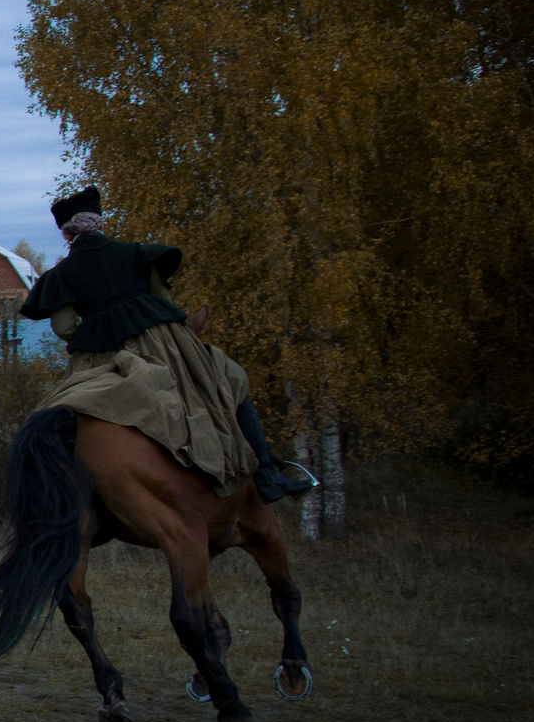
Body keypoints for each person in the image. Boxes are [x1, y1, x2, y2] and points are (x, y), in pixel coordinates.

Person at [18, 185, 315, 503]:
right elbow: (163, 300)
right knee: (229, 379)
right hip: (162, 343)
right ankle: (267, 475)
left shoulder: (62, 274)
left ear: (66, 234)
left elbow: (63, 327)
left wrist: (91, 338)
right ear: (100, 222)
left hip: (101, 356)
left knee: (65, 410)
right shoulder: (135, 254)